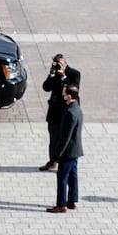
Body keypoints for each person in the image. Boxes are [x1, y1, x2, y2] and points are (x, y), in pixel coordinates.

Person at [38, 54, 81, 171]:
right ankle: (52, 162)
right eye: (56, 63)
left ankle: (65, 162)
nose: (58, 66)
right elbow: (46, 87)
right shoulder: (54, 74)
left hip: (67, 112)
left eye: (60, 63)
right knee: (53, 138)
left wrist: (63, 76)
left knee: (67, 138)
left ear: (65, 63)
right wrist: (51, 74)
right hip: (54, 112)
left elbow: (74, 88)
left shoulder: (74, 74)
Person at [46, 84, 84, 213]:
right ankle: (72, 201)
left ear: (69, 96)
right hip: (76, 150)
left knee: (62, 178)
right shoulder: (77, 108)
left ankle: (61, 204)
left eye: (64, 93)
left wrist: (57, 155)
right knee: (73, 176)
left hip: (67, 152)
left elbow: (65, 137)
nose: (62, 95)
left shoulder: (69, 113)